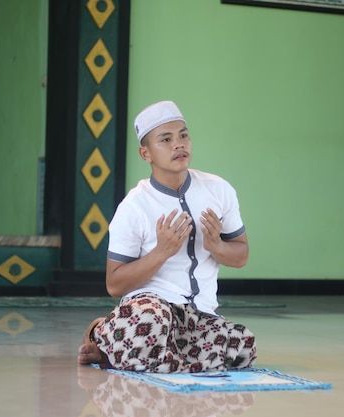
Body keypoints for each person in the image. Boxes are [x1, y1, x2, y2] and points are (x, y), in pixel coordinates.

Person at [77, 100, 256, 373]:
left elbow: (241, 255)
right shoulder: (134, 207)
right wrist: (161, 252)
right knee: (152, 324)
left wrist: (216, 246)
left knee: (242, 347)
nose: (179, 144)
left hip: (199, 315)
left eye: (183, 135)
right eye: (166, 139)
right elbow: (114, 284)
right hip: (151, 310)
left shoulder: (219, 190)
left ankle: (121, 348)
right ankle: (101, 331)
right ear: (145, 153)